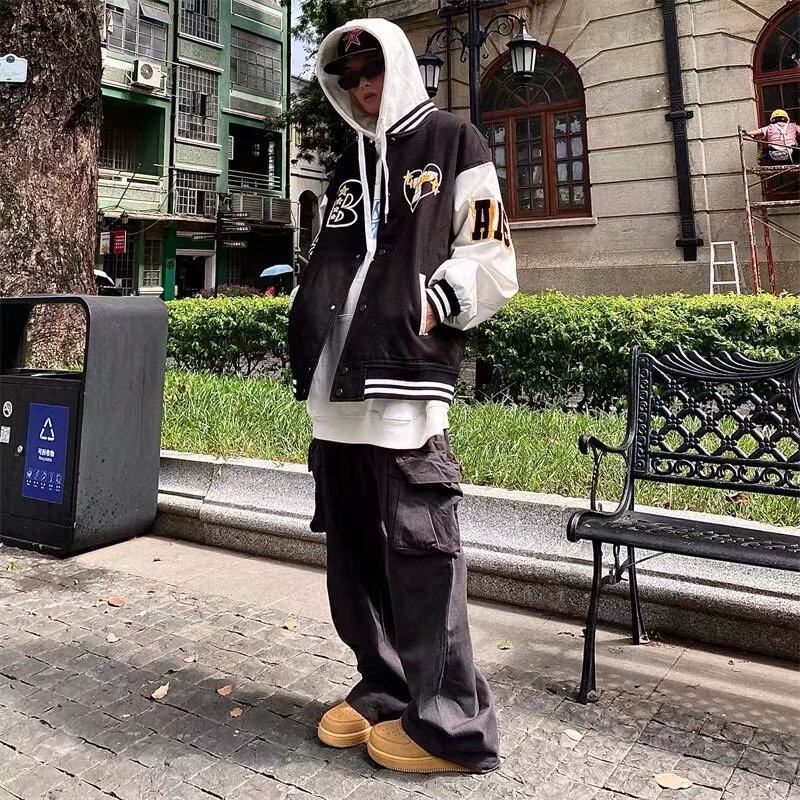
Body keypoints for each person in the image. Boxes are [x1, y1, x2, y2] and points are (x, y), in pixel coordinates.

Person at [287, 18, 517, 775]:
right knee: (352, 554)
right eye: (348, 77)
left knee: (421, 552)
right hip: (336, 387)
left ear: (401, 67)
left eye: (373, 70)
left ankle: (454, 724)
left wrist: (437, 302)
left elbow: (492, 259)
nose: (362, 87)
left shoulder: (455, 143)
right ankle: (385, 687)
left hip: (406, 383)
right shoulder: (349, 165)